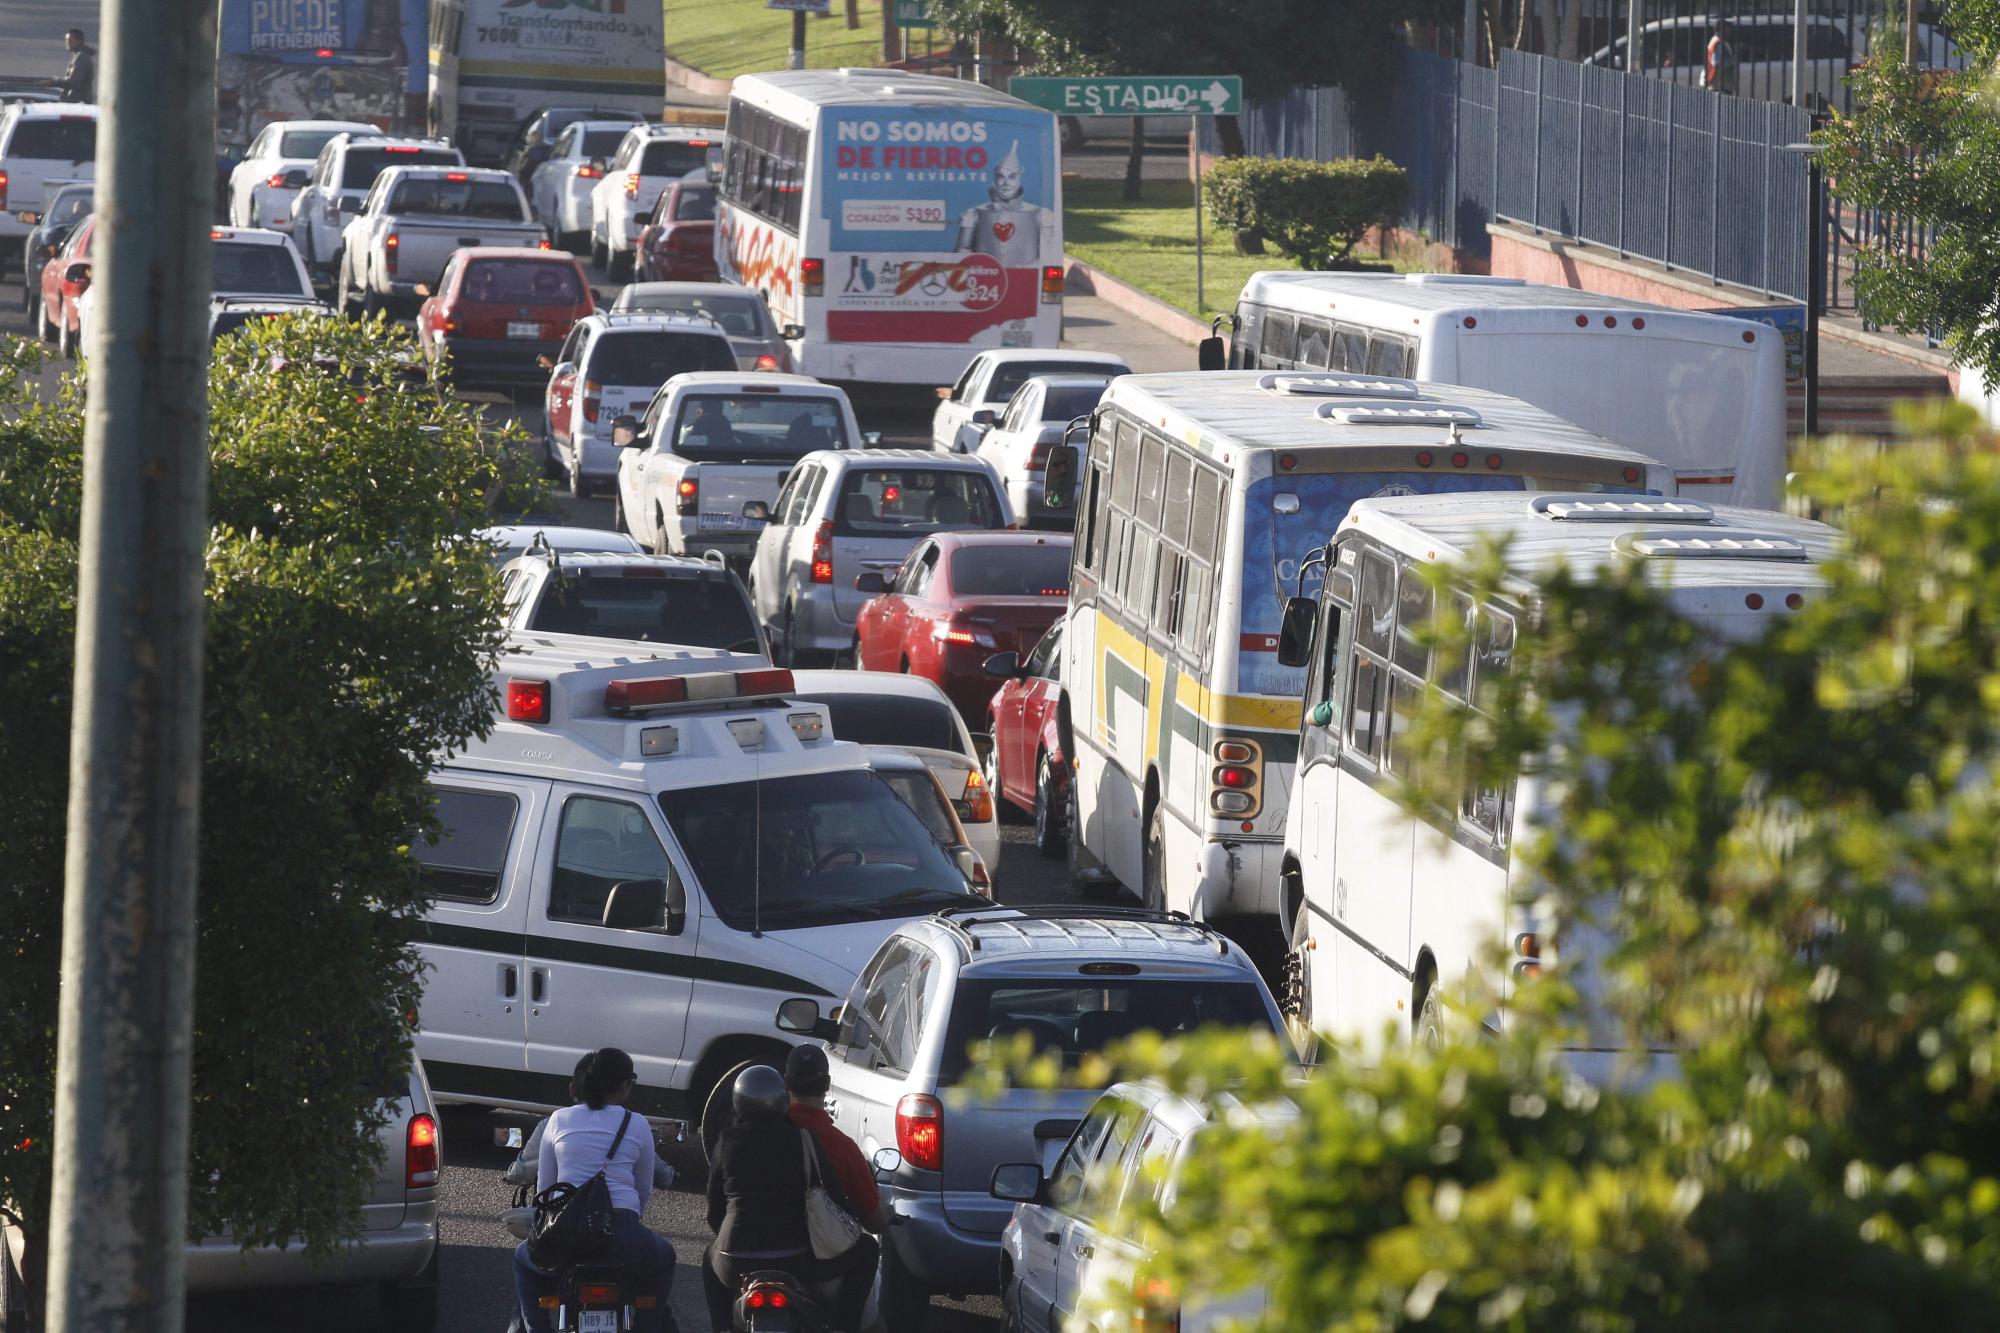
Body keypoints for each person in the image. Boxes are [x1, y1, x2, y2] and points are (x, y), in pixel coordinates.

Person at [512, 1048, 678, 1333]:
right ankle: (647, 1326)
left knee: (523, 1260)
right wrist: (629, 1220)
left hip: (565, 1234)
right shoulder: (637, 1123)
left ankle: (537, 1328)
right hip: (623, 1230)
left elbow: (547, 1189)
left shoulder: (558, 1120)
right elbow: (643, 1188)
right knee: (666, 1258)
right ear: (625, 1086)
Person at [704, 1063, 874, 1332]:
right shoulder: (804, 1140)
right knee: (867, 1250)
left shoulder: (726, 1142)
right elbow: (835, 1198)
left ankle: (722, 1327)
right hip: (798, 1260)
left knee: (707, 1258)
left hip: (735, 1259)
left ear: (738, 1103)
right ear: (782, 1101)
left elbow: (714, 1212)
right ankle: (844, 1326)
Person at [783, 1044, 883, 1330]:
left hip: (764, 1254)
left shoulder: (761, 1138)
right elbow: (873, 1220)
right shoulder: (843, 1147)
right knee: (866, 1249)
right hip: (820, 1263)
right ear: (827, 1084)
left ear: (786, 1082)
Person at [48, 29, 94, 104]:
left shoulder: (81, 57)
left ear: (79, 41)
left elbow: (74, 82)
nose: (67, 42)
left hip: (77, 104)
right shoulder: (79, 56)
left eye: (70, 40)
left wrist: (53, 81)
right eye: (66, 40)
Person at [1704, 19, 1739, 95]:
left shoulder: (1715, 41)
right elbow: (1716, 62)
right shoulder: (1718, 42)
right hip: (1721, 83)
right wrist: (1732, 61)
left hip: (1718, 82)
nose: (1729, 31)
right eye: (1728, 28)